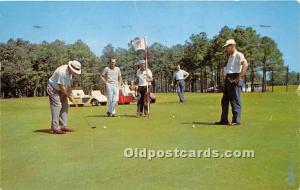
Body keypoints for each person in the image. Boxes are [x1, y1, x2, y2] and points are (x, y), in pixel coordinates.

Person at [215, 39, 248, 126]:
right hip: (229, 78)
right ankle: (224, 120)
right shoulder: (230, 56)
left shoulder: (239, 55)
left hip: (235, 77)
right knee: (224, 100)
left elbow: (245, 65)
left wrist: (239, 77)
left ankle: (236, 121)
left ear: (232, 46)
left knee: (235, 100)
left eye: (227, 47)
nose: (226, 49)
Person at [47, 60, 81, 134]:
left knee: (65, 105)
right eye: (75, 71)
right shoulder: (62, 72)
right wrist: (69, 96)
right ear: (71, 68)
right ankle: (55, 128)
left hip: (61, 89)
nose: (75, 73)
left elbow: (68, 86)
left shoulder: (70, 73)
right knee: (57, 106)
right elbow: (61, 86)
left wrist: (71, 95)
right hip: (53, 89)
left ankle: (62, 126)